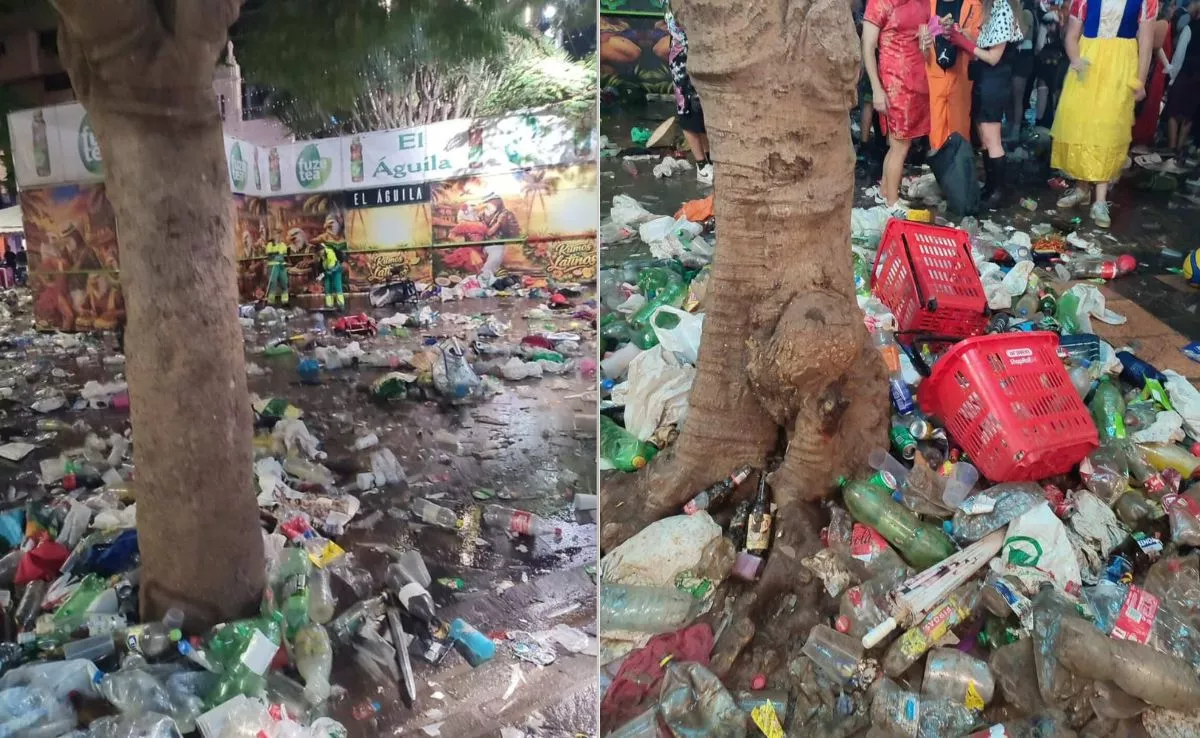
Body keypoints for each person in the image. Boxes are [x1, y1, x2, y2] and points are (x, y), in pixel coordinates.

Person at [1051, 0, 1157, 228]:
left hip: (1120, 70)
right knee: (1080, 126)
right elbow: (1071, 35)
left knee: (1107, 130)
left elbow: (1146, 44)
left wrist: (1139, 81)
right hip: (1087, 67)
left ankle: (1100, 200)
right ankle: (1081, 189)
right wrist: (1077, 60)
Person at [941, 0, 1028, 206]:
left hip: (995, 79)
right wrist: (962, 35)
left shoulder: (1004, 9)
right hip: (984, 78)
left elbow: (993, 57)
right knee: (984, 137)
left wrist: (964, 43)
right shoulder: (993, 7)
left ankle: (998, 192)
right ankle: (990, 187)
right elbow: (984, 42)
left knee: (992, 139)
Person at [863, 0, 932, 211]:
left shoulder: (924, 3)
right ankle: (893, 203)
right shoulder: (881, 2)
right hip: (894, 80)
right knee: (900, 145)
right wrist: (876, 88)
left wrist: (927, 42)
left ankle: (886, 192)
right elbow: (868, 45)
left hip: (918, 79)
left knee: (899, 144)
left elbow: (926, 49)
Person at [926, 0, 986, 152]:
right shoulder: (928, 4)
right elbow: (918, 34)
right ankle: (938, 165)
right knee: (936, 125)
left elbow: (981, 40)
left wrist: (959, 33)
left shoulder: (974, 5)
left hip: (961, 74)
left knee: (959, 124)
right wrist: (934, 30)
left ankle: (959, 166)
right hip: (934, 73)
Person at [664, 7, 713, 185]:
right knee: (687, 110)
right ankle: (701, 166)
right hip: (682, 58)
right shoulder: (675, 6)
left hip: (703, 55)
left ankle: (710, 160)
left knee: (704, 110)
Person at [1133, 1, 1174, 147]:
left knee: (1137, 108)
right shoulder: (1159, 20)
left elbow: (1155, 46)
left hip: (1143, 66)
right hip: (1142, 65)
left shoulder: (1161, 22)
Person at [1165, 0, 1200, 158]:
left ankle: (1172, 148)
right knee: (1189, 113)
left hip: (1185, 72)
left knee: (1174, 110)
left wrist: (1172, 76)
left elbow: (1180, 54)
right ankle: (1180, 148)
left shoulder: (1189, 28)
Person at [1010, 0, 1039, 139]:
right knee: (1010, 96)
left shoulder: (1026, 14)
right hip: (1014, 57)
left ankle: (1015, 130)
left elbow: (1021, 35)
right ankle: (1010, 126)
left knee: (1017, 96)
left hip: (1023, 58)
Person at [318, 238, 346, 310]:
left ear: (323, 249)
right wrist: (321, 274)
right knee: (327, 288)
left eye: (320, 251)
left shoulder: (330, 253)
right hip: (328, 272)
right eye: (318, 251)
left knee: (337, 287)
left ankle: (341, 306)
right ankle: (329, 305)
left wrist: (324, 274)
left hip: (335, 271)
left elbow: (331, 266)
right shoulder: (322, 256)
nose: (320, 252)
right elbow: (322, 266)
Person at [263, 231, 289, 305]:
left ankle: (285, 301)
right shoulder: (270, 245)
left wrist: (280, 256)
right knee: (272, 283)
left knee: (284, 283)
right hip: (272, 267)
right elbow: (269, 253)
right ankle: (271, 301)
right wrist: (275, 253)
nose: (278, 237)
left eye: (279, 235)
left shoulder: (283, 245)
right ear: (273, 237)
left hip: (281, 266)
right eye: (276, 235)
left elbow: (285, 254)